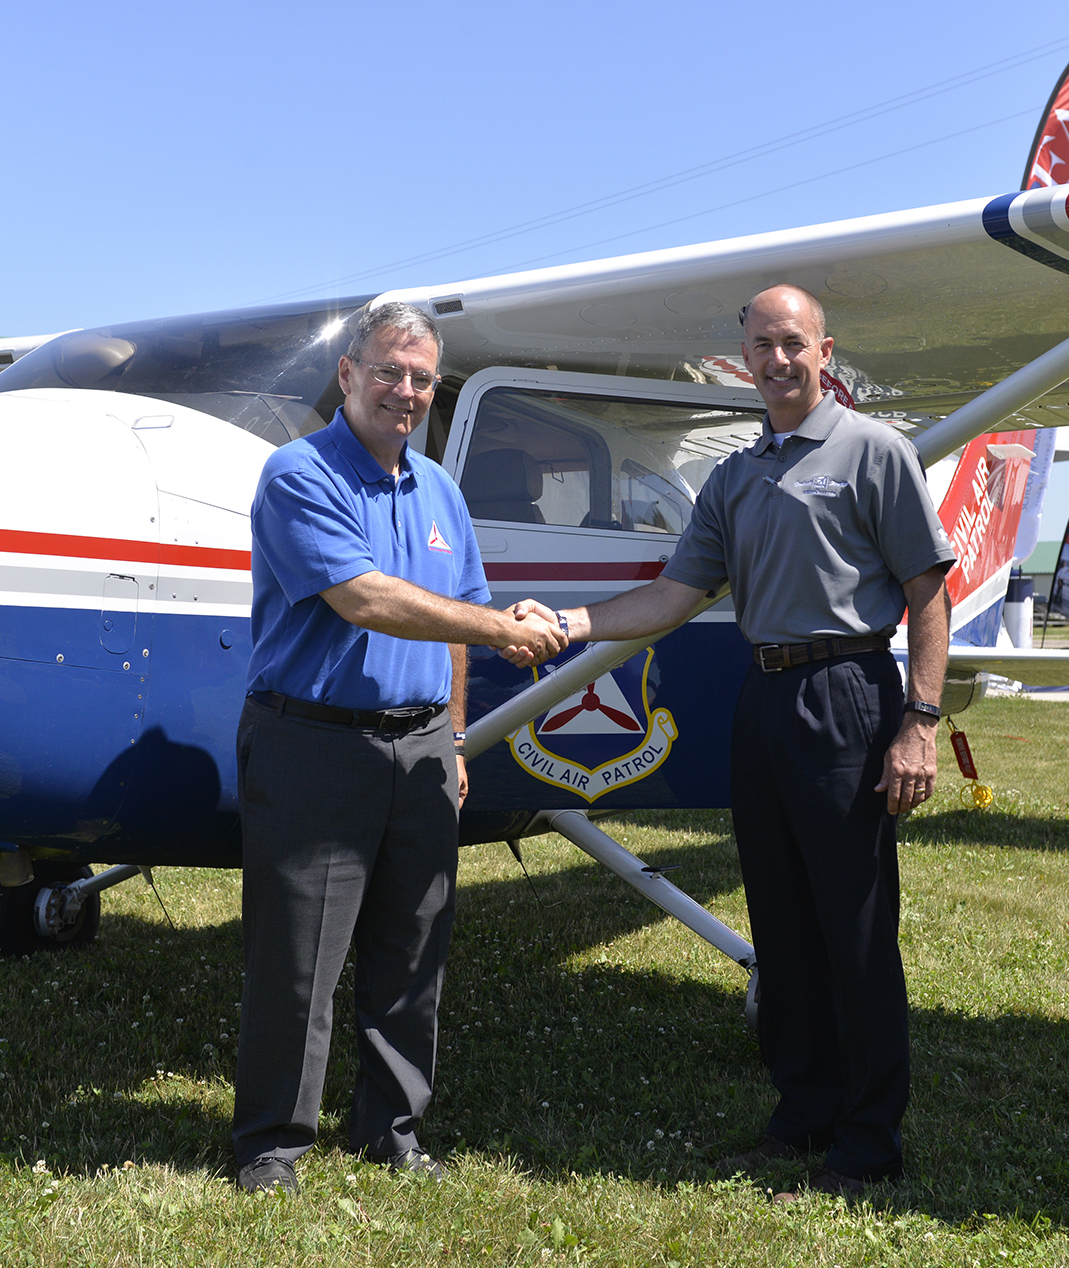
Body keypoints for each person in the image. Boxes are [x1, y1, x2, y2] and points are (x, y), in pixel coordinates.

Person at [516, 285, 954, 1198]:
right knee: (784, 926)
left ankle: (869, 1143)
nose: (778, 360)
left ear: (824, 350)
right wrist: (570, 620)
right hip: (764, 697)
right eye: (761, 346)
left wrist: (918, 722)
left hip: (848, 692)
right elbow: (674, 597)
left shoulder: (874, 452)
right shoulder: (735, 475)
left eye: (793, 343)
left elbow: (927, 592)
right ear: (742, 358)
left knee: (856, 928)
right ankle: (803, 1116)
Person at [232, 302, 565, 1196]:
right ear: (347, 375)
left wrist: (455, 736)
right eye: (388, 372)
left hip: (420, 745)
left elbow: (451, 628)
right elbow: (366, 599)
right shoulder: (298, 475)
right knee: (298, 959)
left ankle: (392, 1127)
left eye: (422, 378)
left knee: (413, 948)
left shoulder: (441, 491)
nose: (406, 392)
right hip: (312, 742)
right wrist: (502, 629)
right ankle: (273, 1144)